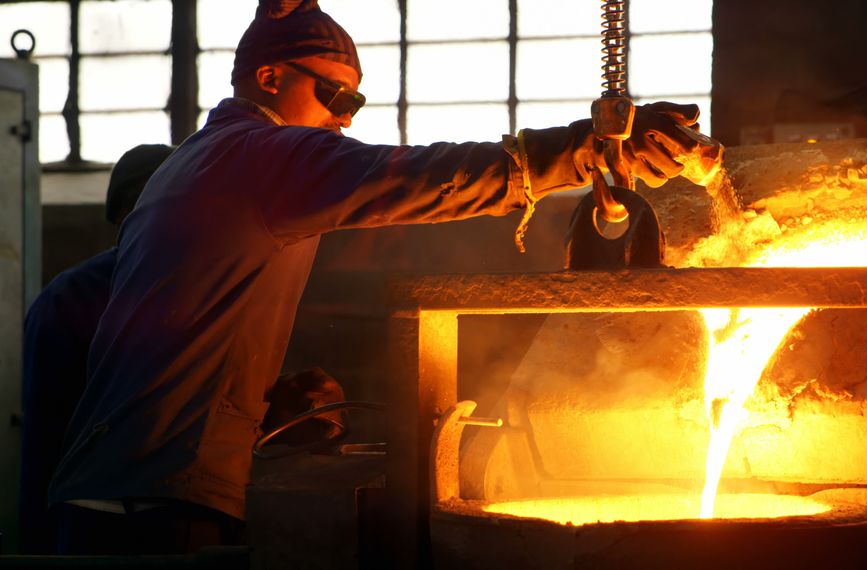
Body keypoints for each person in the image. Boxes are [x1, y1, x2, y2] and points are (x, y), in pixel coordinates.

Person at [47, 0, 711, 554]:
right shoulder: (257, 154)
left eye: (356, 102)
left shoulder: (193, 167)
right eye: (335, 94)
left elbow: (173, 325)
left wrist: (253, 408)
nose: (345, 116)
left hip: (120, 493)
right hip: (155, 509)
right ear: (269, 76)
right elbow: (407, 178)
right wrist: (575, 152)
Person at [19, 144, 173, 554]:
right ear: (126, 217)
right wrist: (38, 546)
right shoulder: (71, 298)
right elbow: (44, 434)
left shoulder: (209, 292)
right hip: (97, 520)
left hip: (186, 512)